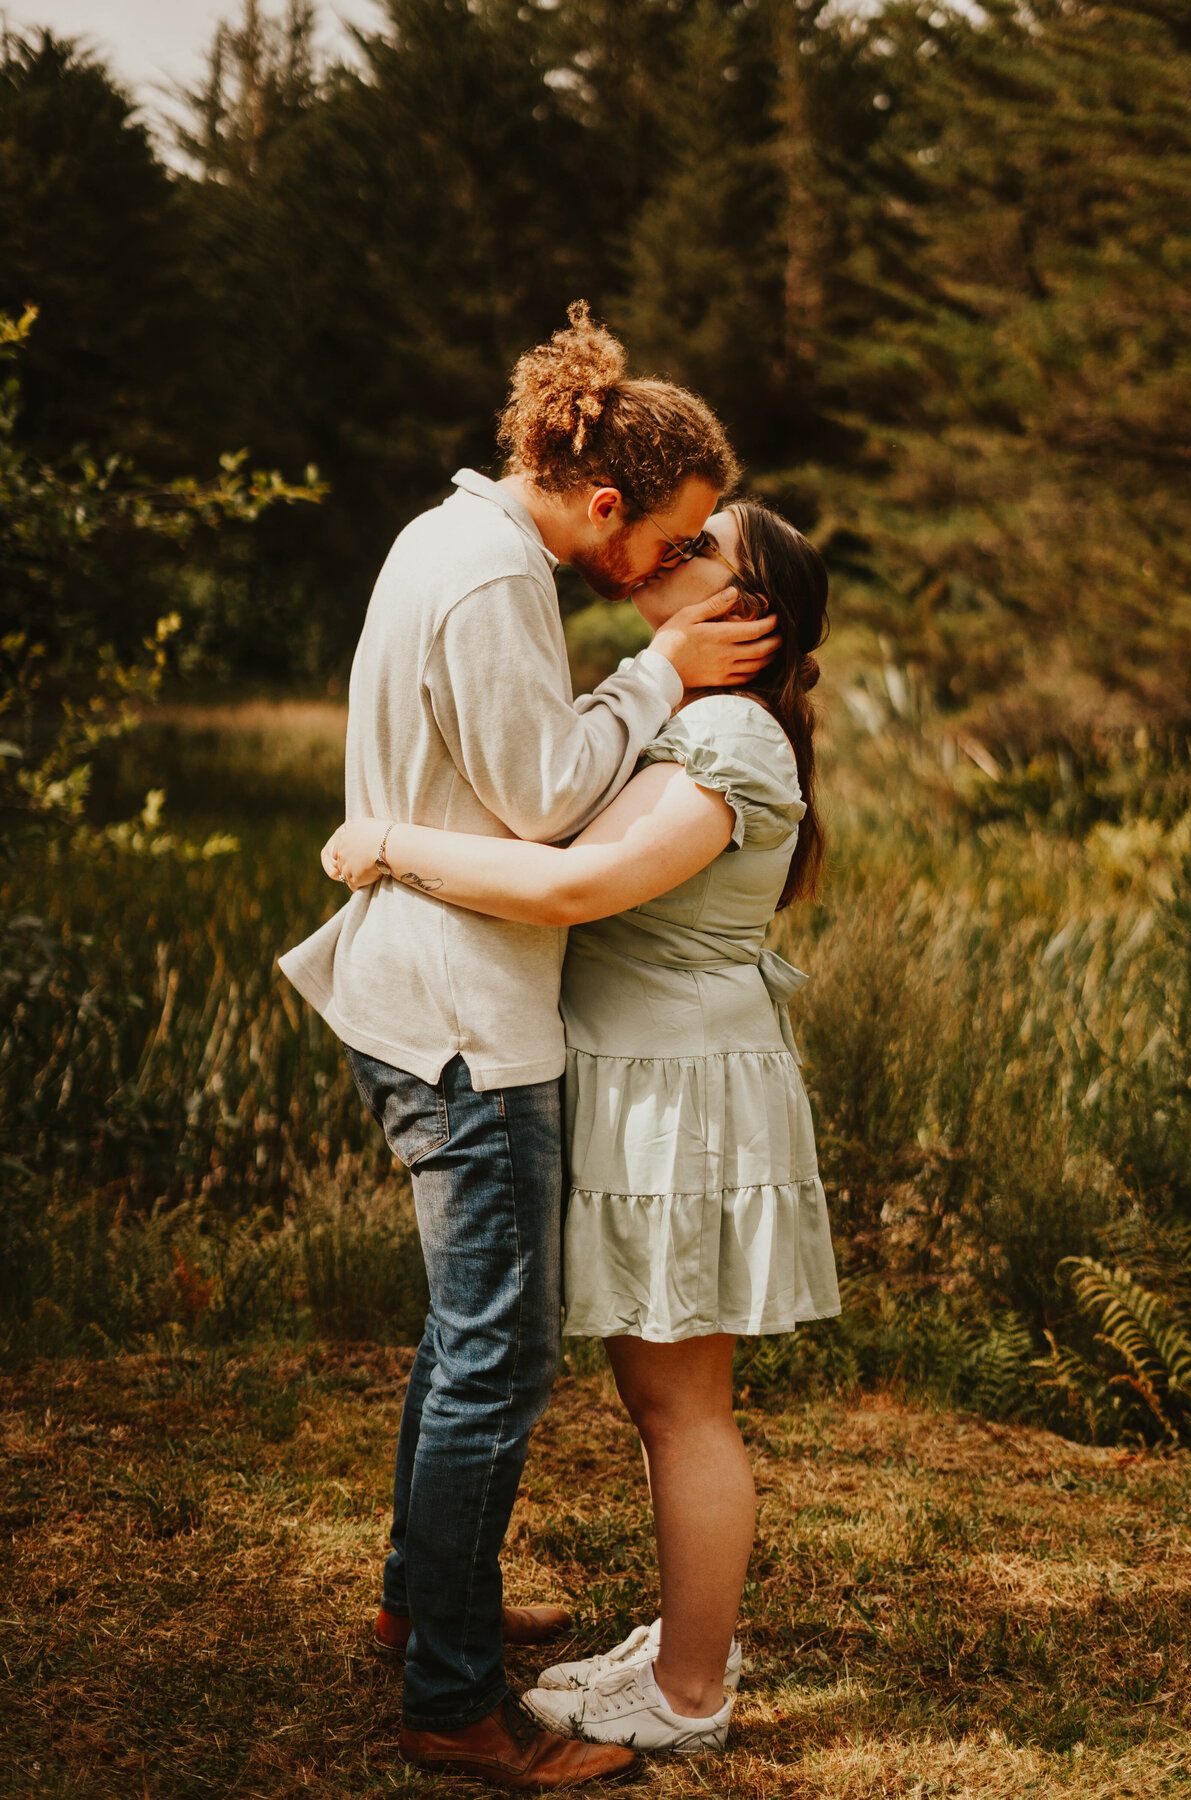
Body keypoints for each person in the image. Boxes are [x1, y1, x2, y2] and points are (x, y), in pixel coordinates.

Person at [278, 302, 780, 1791]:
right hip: (464, 1018)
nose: (667, 577)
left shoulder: (452, 537)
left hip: (433, 986)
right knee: (496, 1358)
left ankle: (422, 1599)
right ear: (609, 504)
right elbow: (545, 803)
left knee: (464, 1335)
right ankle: (452, 1703)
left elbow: (498, 777)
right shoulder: (499, 577)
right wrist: (664, 676)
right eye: (669, 542)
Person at [324, 497, 842, 1757]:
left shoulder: (728, 731)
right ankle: (679, 1647)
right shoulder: (694, 714)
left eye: (703, 546)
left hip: (687, 1094)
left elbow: (570, 883)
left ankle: (689, 1694)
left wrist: (384, 842)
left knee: (684, 1407)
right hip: (650, 1079)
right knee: (658, 1396)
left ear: (750, 610)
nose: (671, 553)